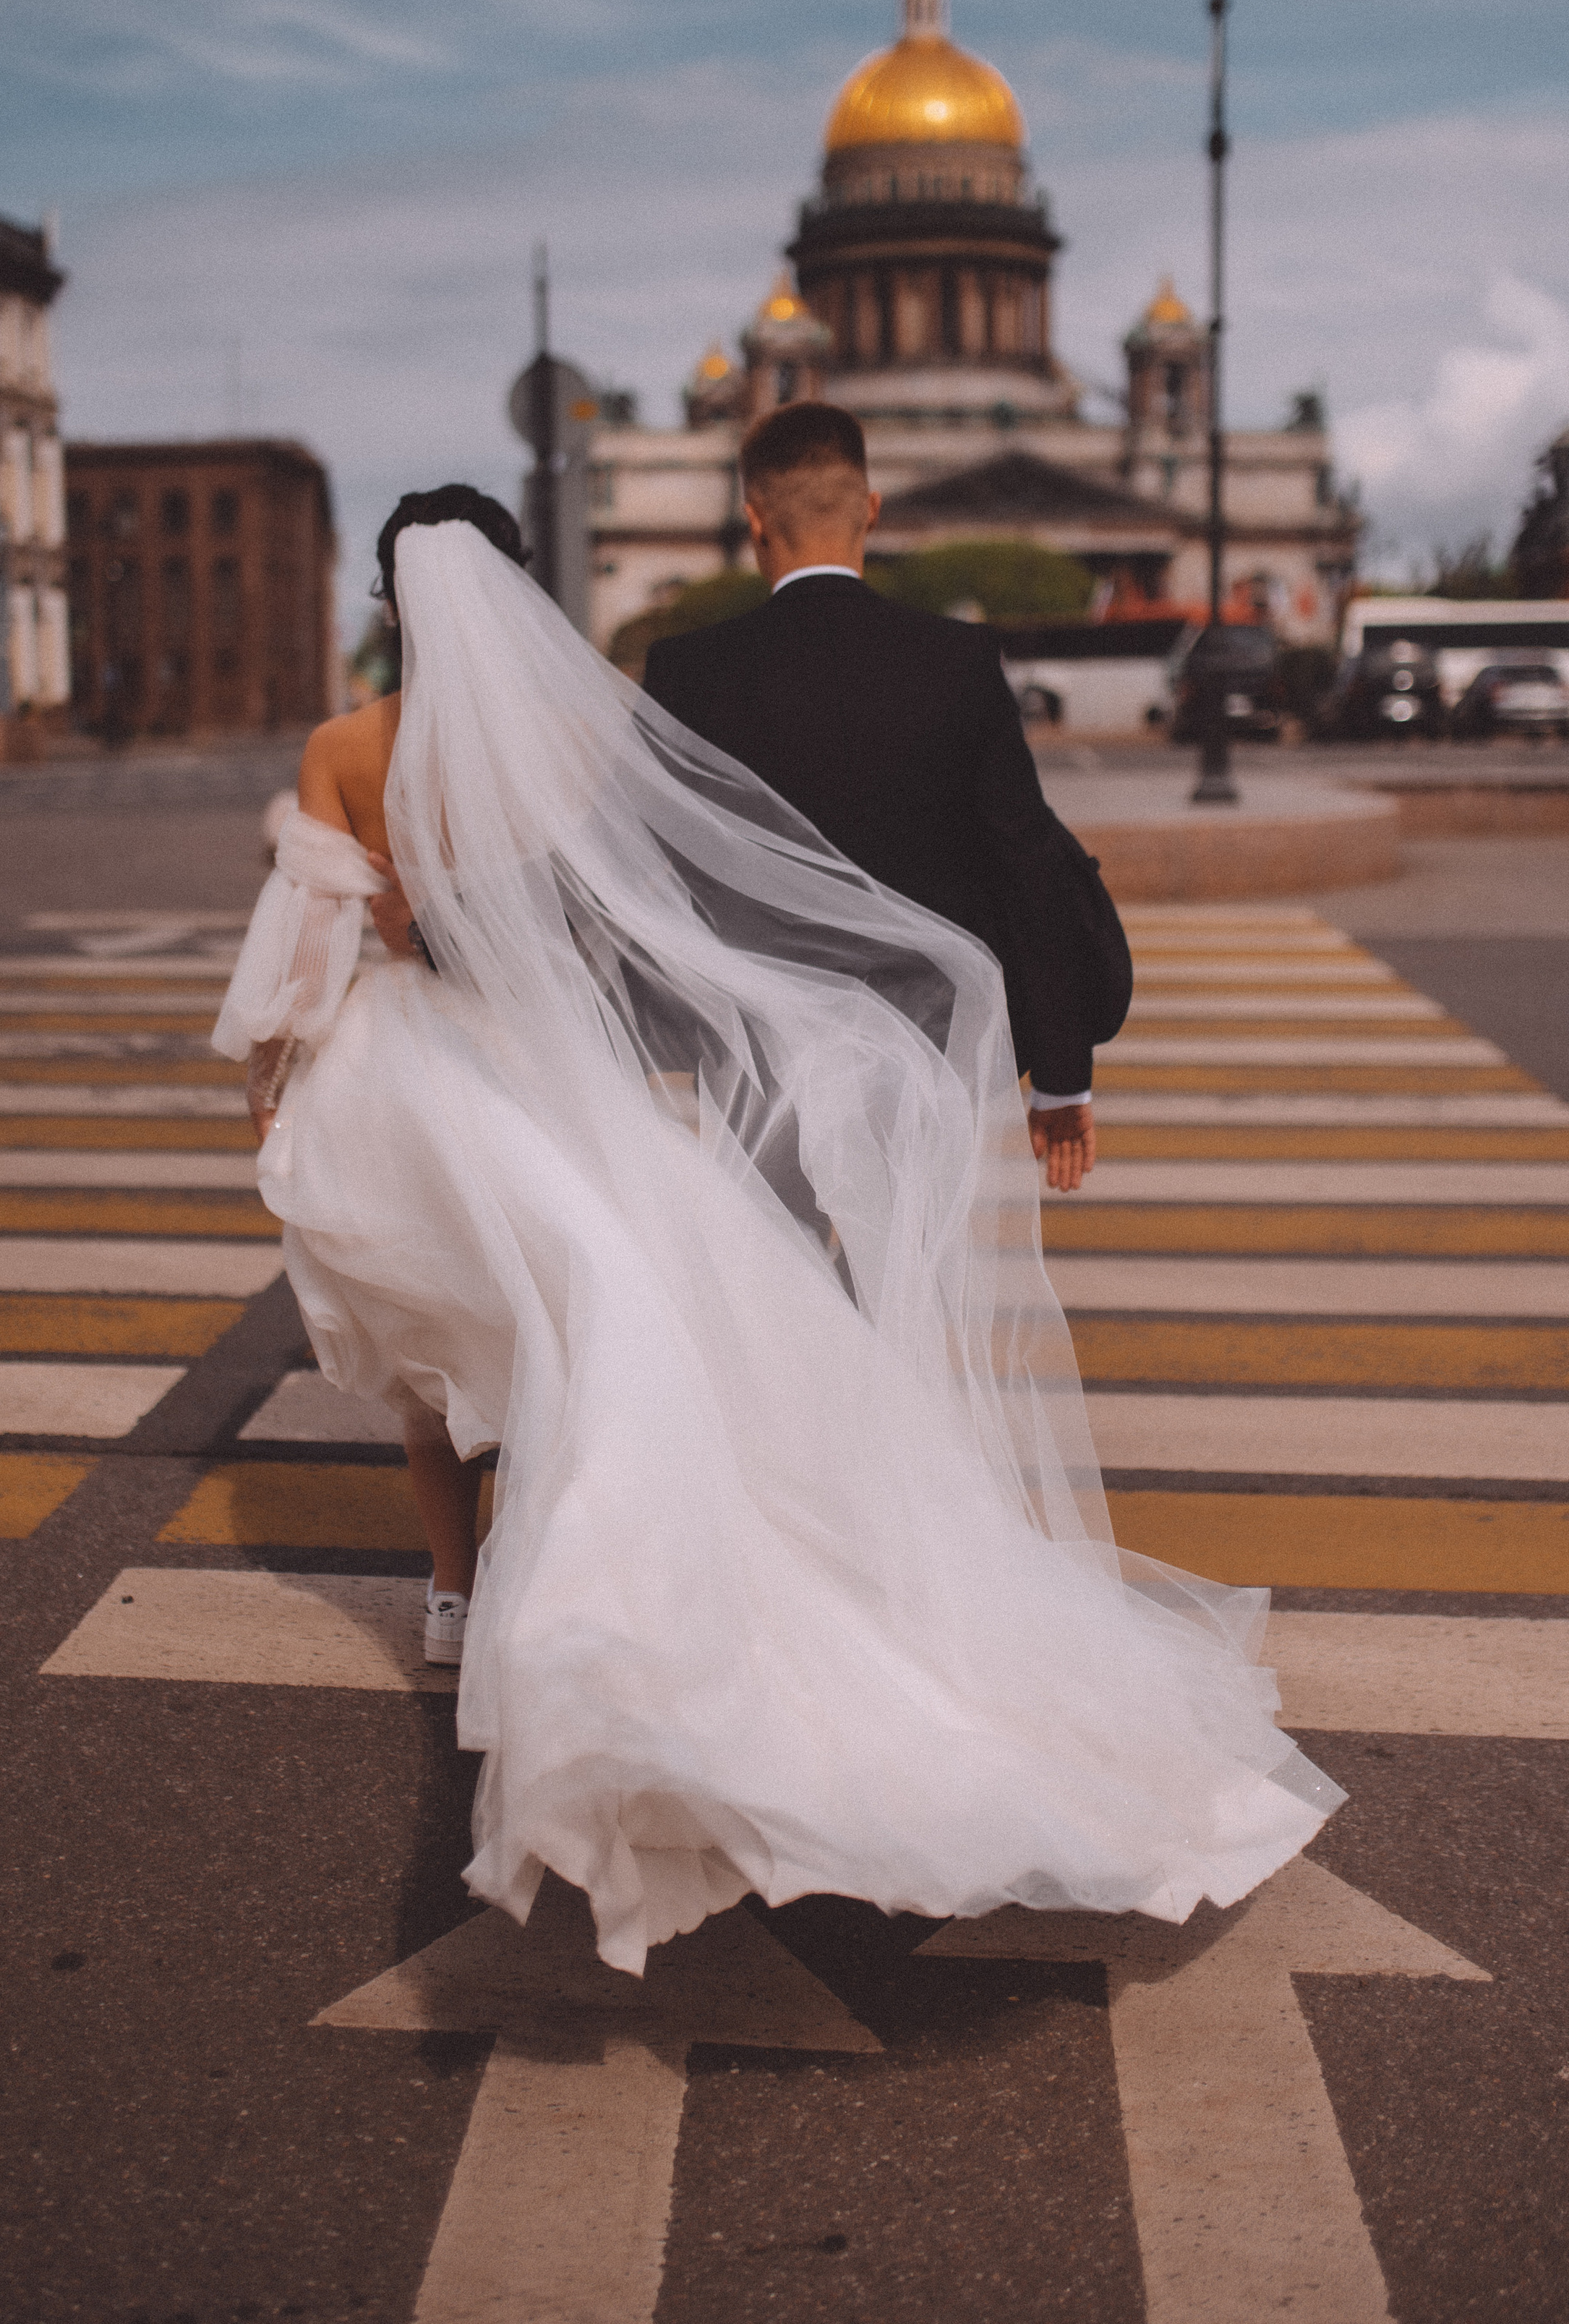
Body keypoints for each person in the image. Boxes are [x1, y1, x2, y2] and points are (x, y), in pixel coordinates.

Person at [213, 485, 1340, 1978]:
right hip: (557, 1064)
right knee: (596, 1322)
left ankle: (454, 1593)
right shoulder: (575, 733)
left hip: (418, 1062)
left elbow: (307, 945)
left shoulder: (349, 747)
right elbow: (635, 901)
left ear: (385, 599)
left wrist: (267, 1077)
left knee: (436, 1342)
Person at [645, 401, 1108, 1192]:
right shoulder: (956, 661)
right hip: (920, 1045)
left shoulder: (691, 670)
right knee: (906, 1262)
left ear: (754, 519)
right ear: (872, 510)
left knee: (771, 1261)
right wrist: (1063, 1080)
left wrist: (447, 929)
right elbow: (1029, 866)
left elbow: (614, 847)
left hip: (760, 1049)